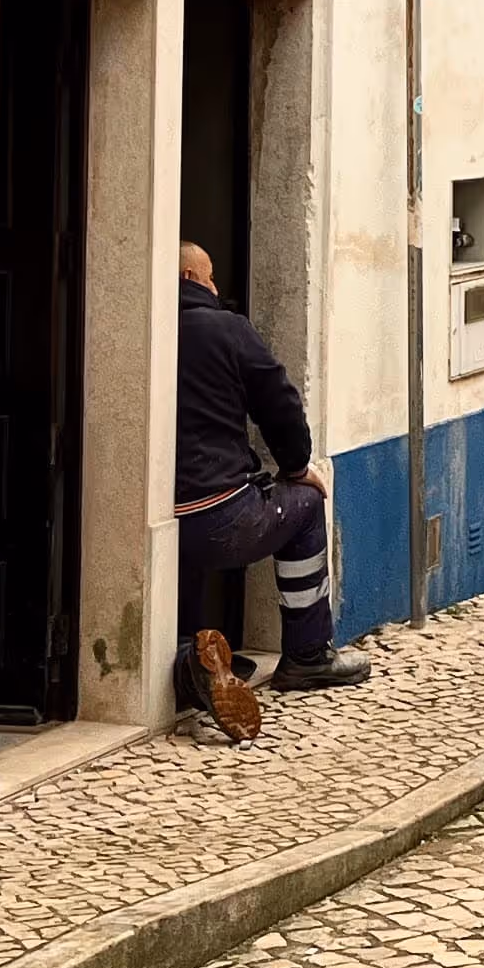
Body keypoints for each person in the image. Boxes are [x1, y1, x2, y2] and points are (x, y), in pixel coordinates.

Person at [174, 241, 368, 739]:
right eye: (212, 277)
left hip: (161, 519)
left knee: (182, 536)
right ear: (194, 278)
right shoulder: (226, 329)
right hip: (222, 516)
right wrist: (298, 466)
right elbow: (278, 401)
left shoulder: (142, 328)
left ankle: (193, 651)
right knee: (304, 506)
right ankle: (307, 654)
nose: (217, 288)